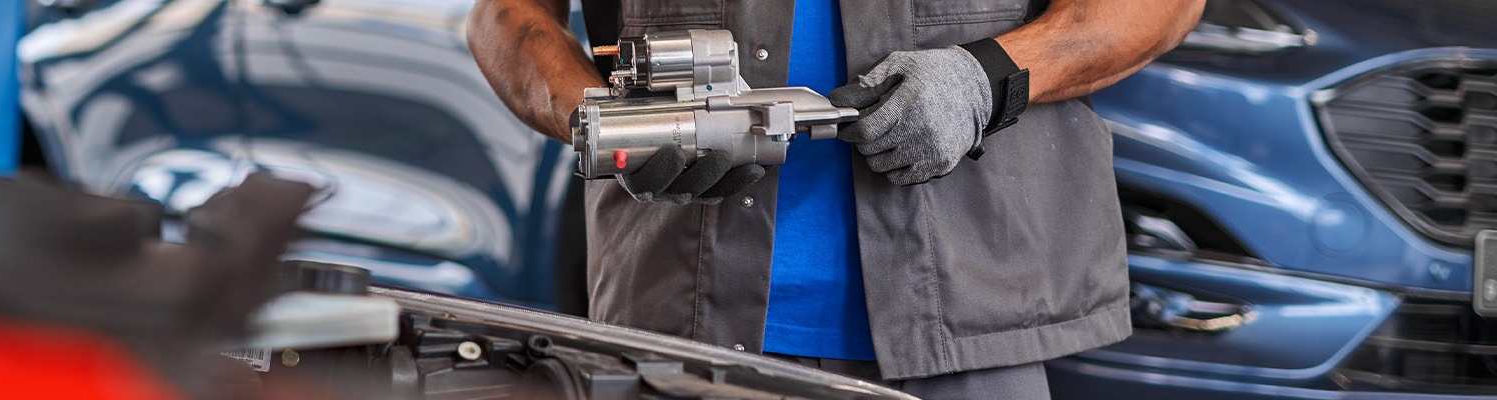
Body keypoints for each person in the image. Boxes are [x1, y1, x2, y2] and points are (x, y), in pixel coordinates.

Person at [467, 0, 1203, 398]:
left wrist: (987, 77)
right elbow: (504, 15)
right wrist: (601, 119)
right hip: (677, 334)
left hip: (971, 332)